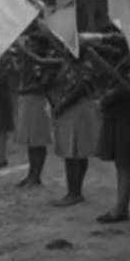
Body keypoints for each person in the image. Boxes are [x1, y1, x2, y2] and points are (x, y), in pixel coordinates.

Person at [96, 54, 130, 224]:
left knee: (126, 161)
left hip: (129, 116)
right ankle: (121, 205)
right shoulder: (126, 57)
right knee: (120, 162)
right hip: (118, 115)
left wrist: (107, 97)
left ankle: (121, 207)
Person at [50, 55, 102, 206]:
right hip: (67, 111)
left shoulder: (87, 65)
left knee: (79, 151)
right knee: (68, 151)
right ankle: (70, 191)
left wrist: (62, 107)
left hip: (79, 110)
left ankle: (76, 192)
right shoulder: (67, 65)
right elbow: (59, 83)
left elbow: (81, 89)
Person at [13, 35, 62, 188]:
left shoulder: (48, 61)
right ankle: (31, 174)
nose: (31, 48)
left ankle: (36, 176)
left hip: (39, 102)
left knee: (38, 141)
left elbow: (43, 85)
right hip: (27, 101)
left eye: (33, 45)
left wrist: (22, 90)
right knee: (30, 141)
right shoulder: (29, 61)